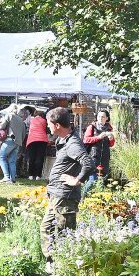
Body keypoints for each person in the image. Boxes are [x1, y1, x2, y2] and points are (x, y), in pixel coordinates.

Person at [40, 107, 95, 256]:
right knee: (47, 229)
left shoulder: (73, 144)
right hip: (57, 194)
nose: (47, 126)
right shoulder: (64, 139)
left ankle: (64, 271)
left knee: (65, 235)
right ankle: (52, 266)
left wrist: (77, 180)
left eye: (49, 123)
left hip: (65, 197)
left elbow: (88, 163)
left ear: (57, 125)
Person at [82, 109, 116, 193]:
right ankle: (82, 197)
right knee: (92, 180)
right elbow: (85, 140)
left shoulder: (109, 128)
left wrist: (111, 138)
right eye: (99, 116)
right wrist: (98, 137)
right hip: (93, 156)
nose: (100, 118)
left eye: (103, 117)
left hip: (105, 157)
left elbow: (111, 144)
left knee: (101, 180)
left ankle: (96, 200)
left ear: (107, 118)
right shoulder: (92, 127)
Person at [0, 106, 26, 184]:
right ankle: (12, 179)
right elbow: (24, 133)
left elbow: (2, 126)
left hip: (9, 140)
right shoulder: (21, 120)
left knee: (1, 157)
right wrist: (20, 142)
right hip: (18, 142)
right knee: (12, 161)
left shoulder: (9, 115)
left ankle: (6, 177)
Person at [26, 110, 50, 180]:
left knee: (31, 158)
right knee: (40, 158)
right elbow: (45, 129)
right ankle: (38, 176)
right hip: (42, 140)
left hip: (32, 140)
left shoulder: (31, 120)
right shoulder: (44, 121)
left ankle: (30, 175)